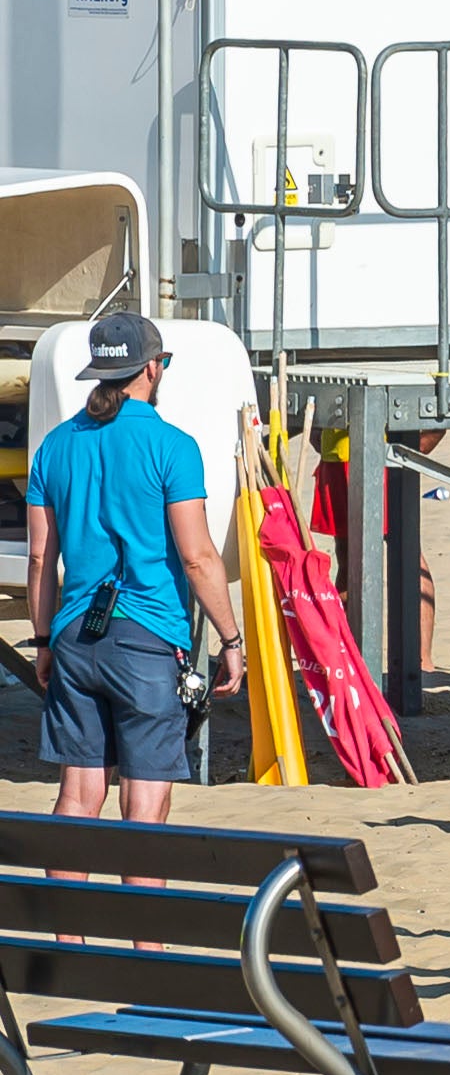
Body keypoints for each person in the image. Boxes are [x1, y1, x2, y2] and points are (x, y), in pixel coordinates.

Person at [24, 317, 244, 823]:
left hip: (75, 637)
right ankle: (137, 905)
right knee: (144, 806)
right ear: (152, 368)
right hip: (146, 638)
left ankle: (65, 902)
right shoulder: (173, 446)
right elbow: (198, 558)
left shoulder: (55, 446)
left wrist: (41, 641)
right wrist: (230, 642)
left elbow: (40, 558)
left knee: (76, 799)